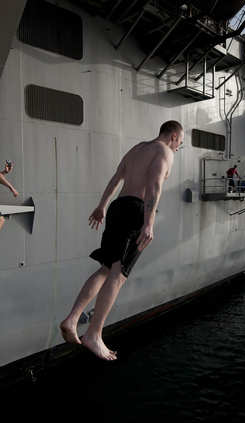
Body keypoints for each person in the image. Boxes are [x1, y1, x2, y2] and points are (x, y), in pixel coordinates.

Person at [60, 120, 184, 360]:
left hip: (117, 208)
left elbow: (115, 179)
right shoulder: (165, 151)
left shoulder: (138, 148)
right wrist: (149, 222)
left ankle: (73, 318)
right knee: (119, 274)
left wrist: (102, 206)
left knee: (106, 268)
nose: (179, 146)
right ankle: (94, 334)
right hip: (136, 211)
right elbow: (155, 184)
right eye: (180, 142)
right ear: (173, 136)